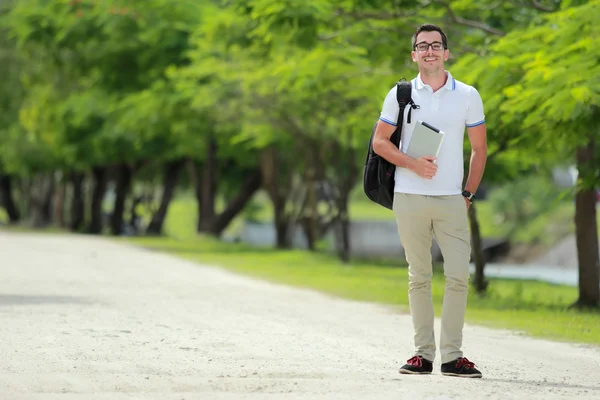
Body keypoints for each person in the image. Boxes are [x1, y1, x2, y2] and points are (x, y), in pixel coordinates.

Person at [372, 23, 487, 378]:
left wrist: (467, 193)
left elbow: (479, 149)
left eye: (436, 45)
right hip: (409, 197)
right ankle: (422, 354)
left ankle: (453, 357)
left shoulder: (468, 95)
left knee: (457, 277)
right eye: (422, 46)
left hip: (452, 199)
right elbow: (380, 142)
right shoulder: (401, 94)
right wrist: (411, 164)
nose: (430, 51)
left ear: (446, 52)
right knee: (419, 277)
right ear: (414, 55)